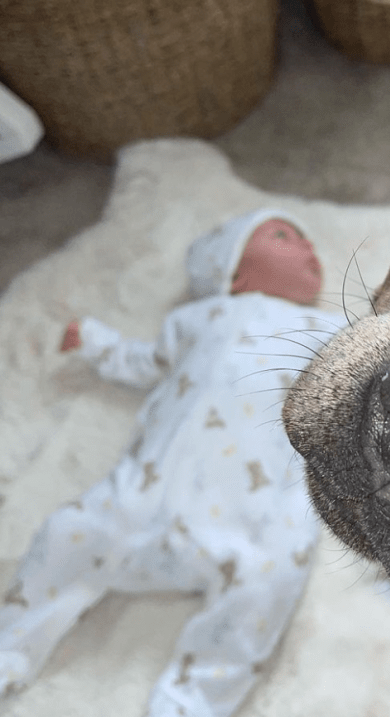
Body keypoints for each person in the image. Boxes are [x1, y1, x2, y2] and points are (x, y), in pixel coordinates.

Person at [0, 210, 345, 717]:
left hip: (250, 524)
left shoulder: (324, 327)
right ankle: (11, 649)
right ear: (233, 273)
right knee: (66, 534)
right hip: (139, 501)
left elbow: (361, 369)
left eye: (305, 239)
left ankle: (191, 702)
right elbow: (149, 363)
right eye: (283, 235)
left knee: (270, 583)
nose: (307, 246)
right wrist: (100, 345)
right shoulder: (197, 318)